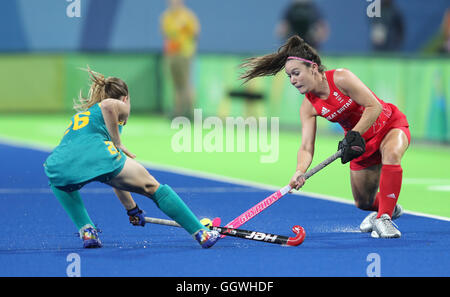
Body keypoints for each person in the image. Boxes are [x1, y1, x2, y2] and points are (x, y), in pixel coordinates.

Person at [239, 35, 410, 238]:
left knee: (391, 153)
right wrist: (299, 171)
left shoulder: (341, 78)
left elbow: (374, 106)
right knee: (363, 202)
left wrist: (354, 134)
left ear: (313, 68)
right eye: (289, 76)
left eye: (296, 73)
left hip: (388, 125)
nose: (293, 80)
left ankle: (384, 218)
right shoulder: (308, 106)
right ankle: (388, 208)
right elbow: (306, 147)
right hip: (359, 144)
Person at [43, 67, 219, 248]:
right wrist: (117, 142)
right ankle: (201, 233)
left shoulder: (86, 117)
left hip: (59, 163)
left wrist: (132, 209)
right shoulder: (117, 106)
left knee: (60, 183)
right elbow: (108, 105)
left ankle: (87, 230)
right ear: (125, 98)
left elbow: (113, 177)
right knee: (152, 187)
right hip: (98, 154)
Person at [160, 0, 200, 119]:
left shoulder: (187, 16)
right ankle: (178, 112)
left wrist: (190, 48)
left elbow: (195, 32)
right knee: (176, 84)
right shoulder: (166, 17)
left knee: (186, 83)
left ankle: (191, 112)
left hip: (184, 54)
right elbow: (166, 34)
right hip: (172, 54)